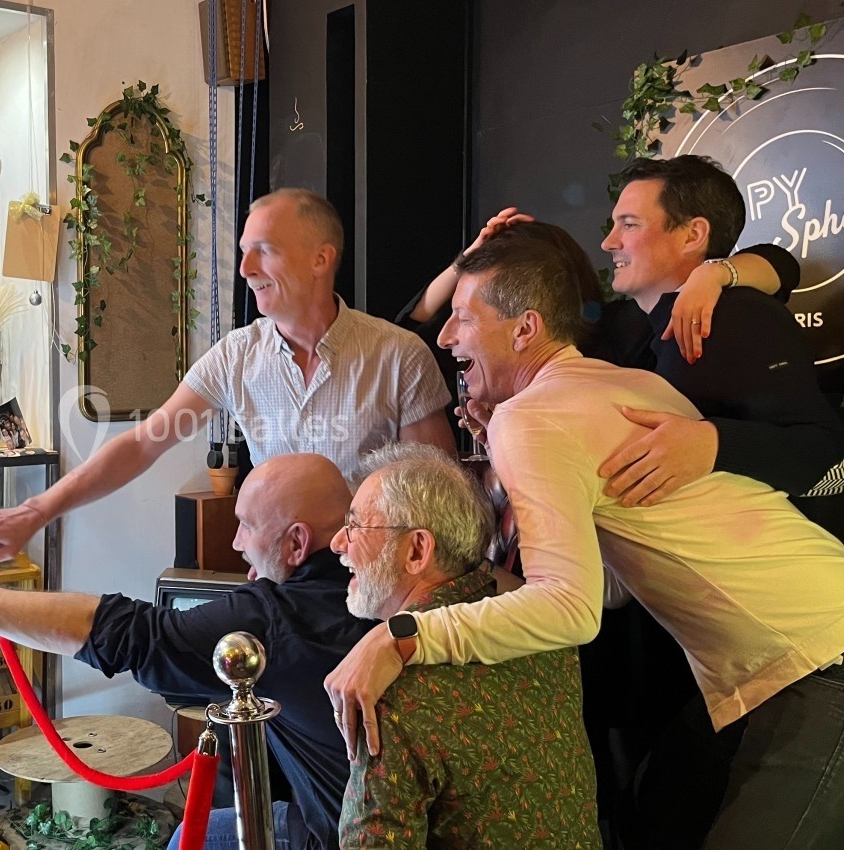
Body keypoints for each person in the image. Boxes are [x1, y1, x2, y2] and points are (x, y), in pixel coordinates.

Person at [325, 233, 844, 849]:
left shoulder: (532, 417)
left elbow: (572, 610)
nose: (445, 337)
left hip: (819, 655)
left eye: (463, 318)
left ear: (525, 330)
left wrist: (403, 635)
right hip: (780, 661)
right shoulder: (616, 385)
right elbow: (614, 586)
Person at [0, 453, 377, 850]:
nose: (236, 543)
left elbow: (119, 632)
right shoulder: (386, 597)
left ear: (297, 543)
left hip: (336, 836)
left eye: (247, 526)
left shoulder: (273, 621)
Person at [0, 188, 454, 567]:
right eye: (244, 250)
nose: (245, 267)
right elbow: (143, 443)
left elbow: (436, 497)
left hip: (373, 586)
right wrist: (35, 511)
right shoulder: (236, 356)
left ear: (322, 258)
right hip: (277, 585)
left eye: (265, 250)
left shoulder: (398, 355)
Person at [334, 443, 598, 849]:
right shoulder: (546, 632)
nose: (338, 543)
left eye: (355, 527)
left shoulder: (386, 690)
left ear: (417, 550)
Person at [596, 155, 844, 535]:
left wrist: (713, 443)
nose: (608, 241)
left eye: (629, 225)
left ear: (693, 235)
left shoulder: (735, 314)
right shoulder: (629, 325)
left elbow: (829, 462)